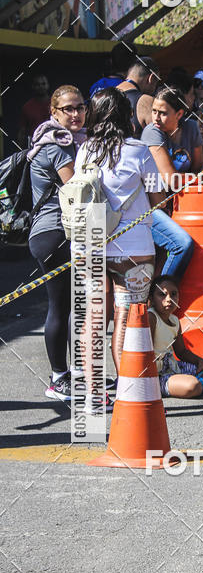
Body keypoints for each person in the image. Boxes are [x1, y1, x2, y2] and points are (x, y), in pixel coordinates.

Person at [75, 88, 165, 374]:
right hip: (134, 250)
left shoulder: (84, 150)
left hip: (91, 246)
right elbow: (158, 199)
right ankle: (129, 389)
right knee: (125, 318)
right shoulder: (139, 151)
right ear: (126, 116)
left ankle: (92, 394)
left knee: (94, 317)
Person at [28, 85, 86, 401]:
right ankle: (59, 379)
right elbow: (77, 188)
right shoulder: (58, 144)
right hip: (53, 234)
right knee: (61, 305)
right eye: (68, 109)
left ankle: (71, 375)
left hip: (54, 234)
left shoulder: (66, 141)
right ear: (54, 113)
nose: (76, 114)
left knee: (68, 306)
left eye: (80, 107)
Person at [141, 86, 203, 281]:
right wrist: (195, 179)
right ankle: (164, 294)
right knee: (180, 245)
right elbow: (172, 179)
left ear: (179, 114)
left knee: (165, 257)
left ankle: (161, 299)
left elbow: (200, 168)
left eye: (163, 113)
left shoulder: (191, 127)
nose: (156, 118)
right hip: (150, 207)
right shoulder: (152, 132)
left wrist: (196, 178)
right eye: (154, 111)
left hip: (183, 205)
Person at [148, 276, 203, 398]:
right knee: (193, 386)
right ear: (152, 299)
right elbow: (146, 353)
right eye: (162, 294)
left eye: (173, 294)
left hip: (173, 367)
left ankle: (186, 383)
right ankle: (173, 386)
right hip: (156, 375)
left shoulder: (174, 320)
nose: (169, 299)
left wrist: (200, 362)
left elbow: (181, 351)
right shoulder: (151, 317)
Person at [116, 56, 160, 137]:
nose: (155, 89)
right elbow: (158, 138)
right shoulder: (146, 101)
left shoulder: (103, 97)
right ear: (151, 78)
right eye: (156, 83)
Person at [18, 75, 51, 147]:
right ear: (33, 86)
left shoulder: (56, 105)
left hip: (54, 143)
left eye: (43, 84)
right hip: (35, 145)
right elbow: (22, 131)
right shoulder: (27, 107)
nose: (41, 87)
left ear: (48, 85)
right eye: (37, 84)